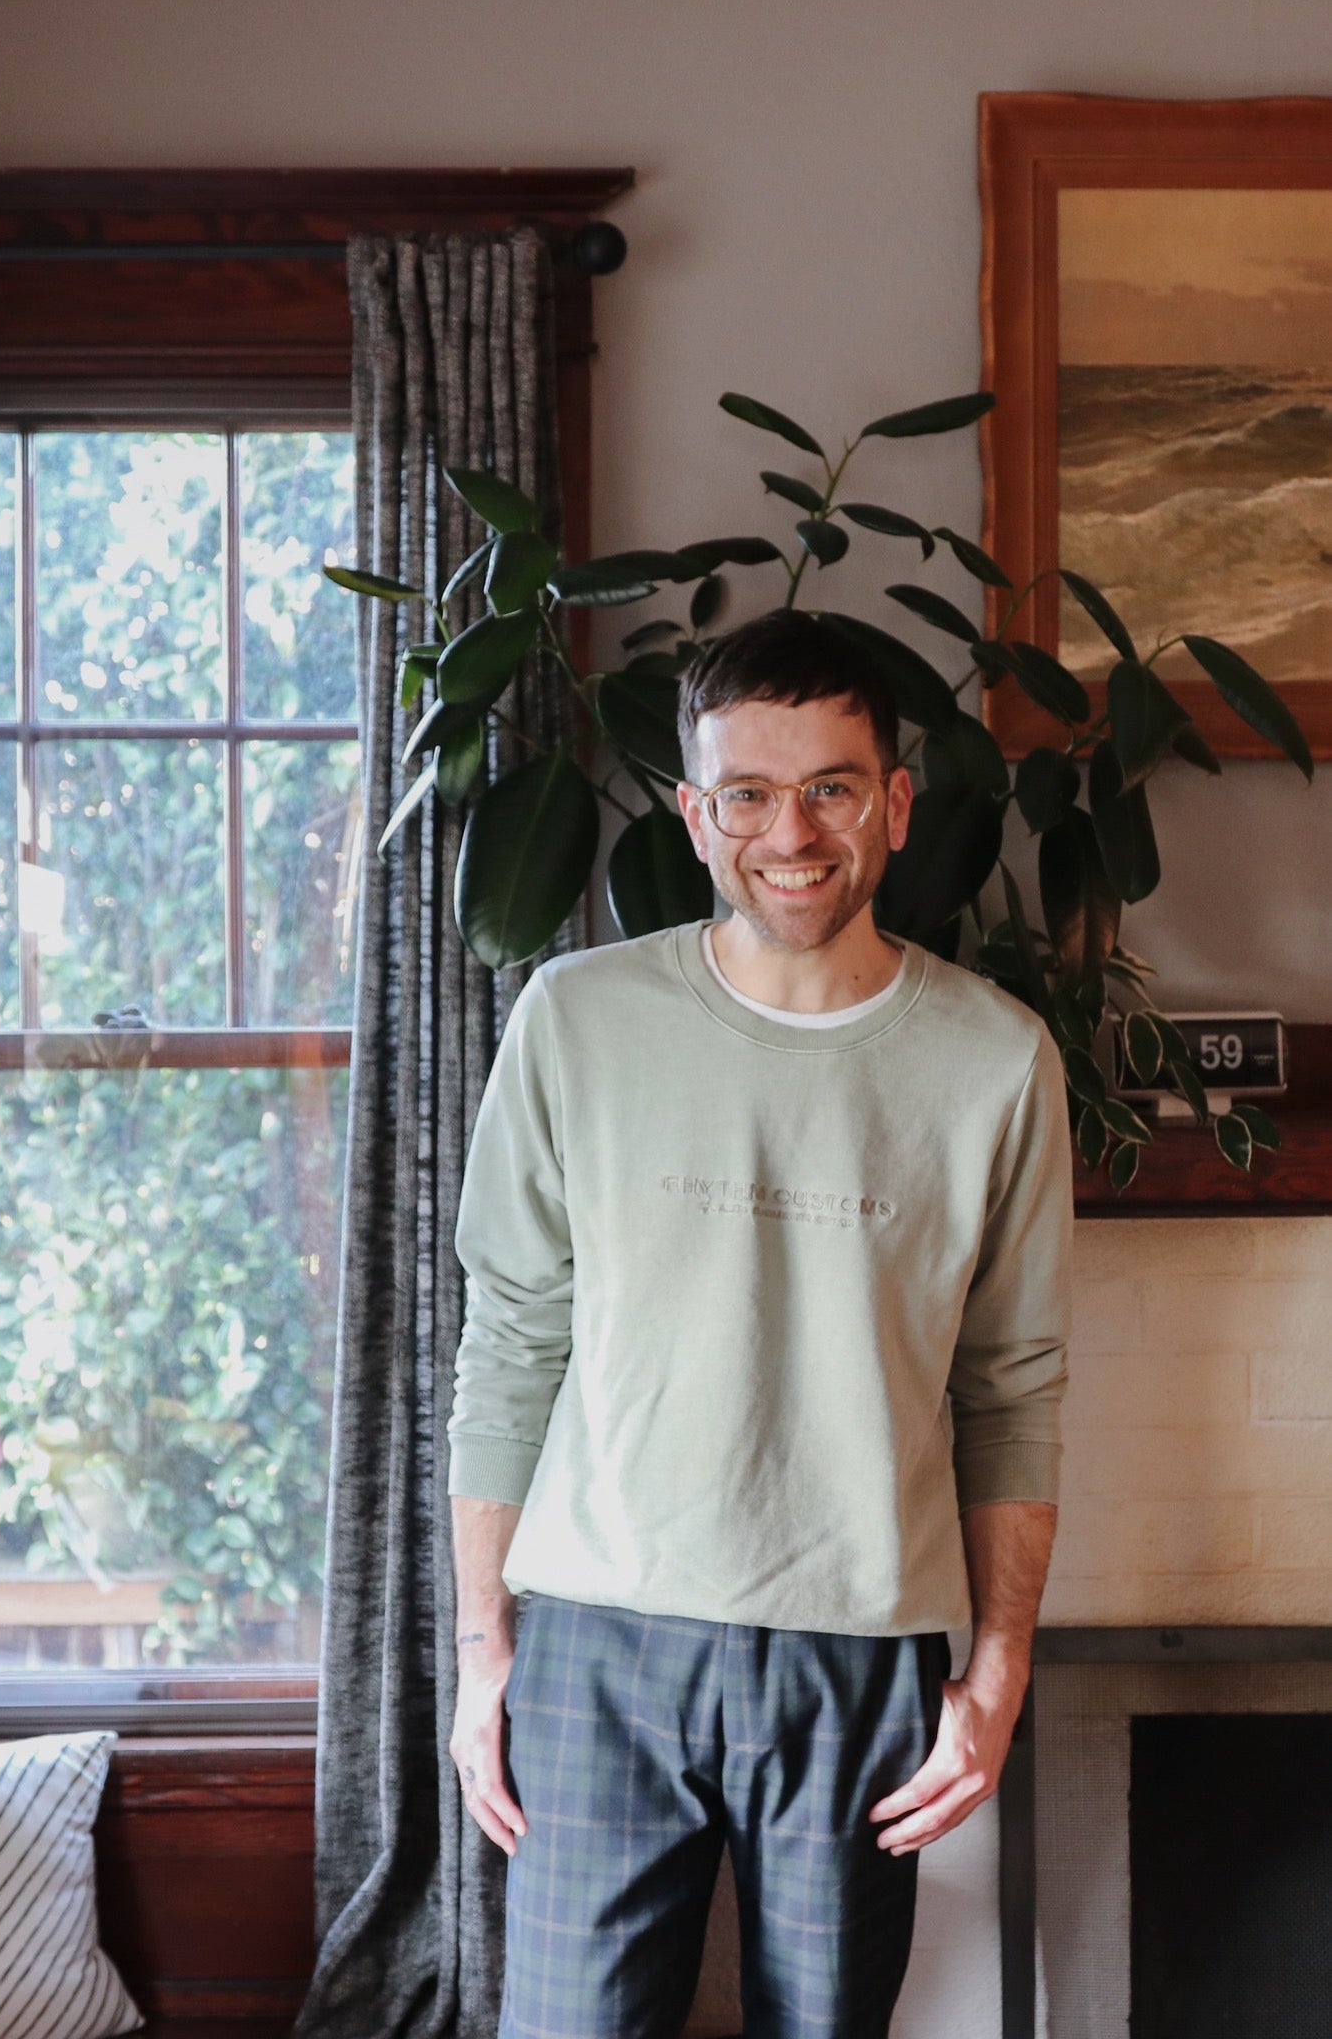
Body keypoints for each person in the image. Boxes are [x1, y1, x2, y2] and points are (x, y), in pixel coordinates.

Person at [447, 606, 1073, 2039]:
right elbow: (508, 1343)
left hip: (858, 1654)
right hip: (599, 1648)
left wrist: (998, 1670)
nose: (791, 831)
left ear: (895, 804)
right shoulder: (574, 1020)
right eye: (748, 793)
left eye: (832, 787)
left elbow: (1014, 1384)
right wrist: (486, 1657)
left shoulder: (996, 1060)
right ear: (695, 812)